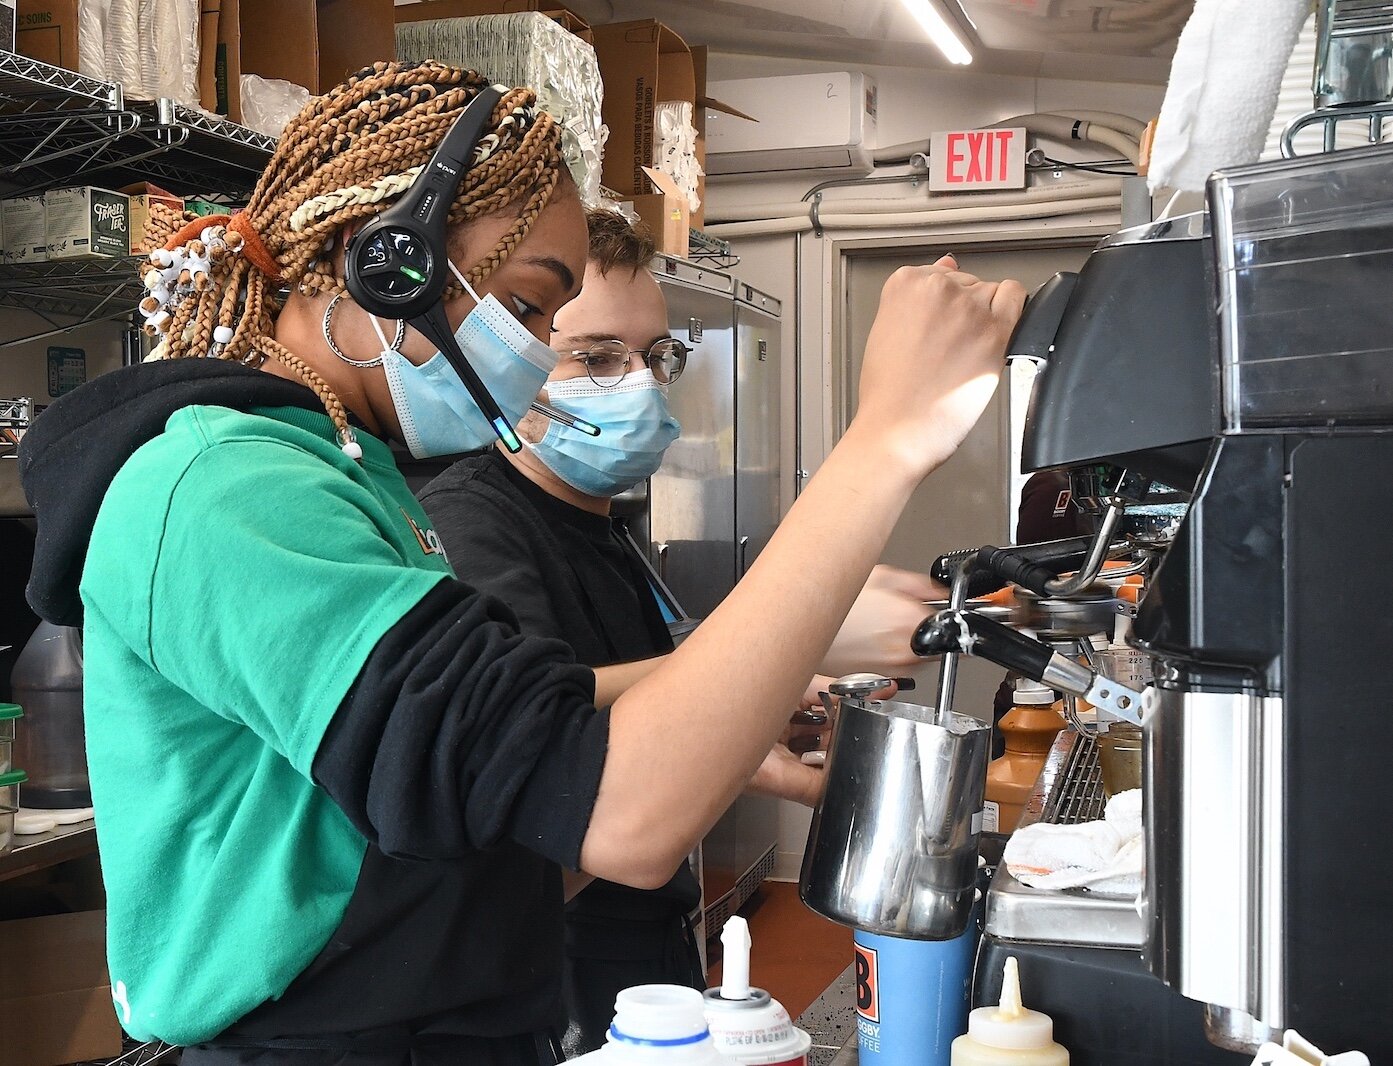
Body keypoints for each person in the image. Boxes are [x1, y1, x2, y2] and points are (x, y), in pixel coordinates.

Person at [17, 62, 1025, 1063]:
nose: (540, 355)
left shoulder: (343, 469)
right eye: (527, 304)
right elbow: (617, 811)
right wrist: (885, 439)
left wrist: (755, 674)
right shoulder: (226, 489)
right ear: (381, 260)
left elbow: (498, 724)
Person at [418, 210, 839, 1053]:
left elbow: (642, 696)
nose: (640, 385)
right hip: (553, 976)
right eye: (598, 357)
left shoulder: (603, 523)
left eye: (654, 358)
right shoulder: (470, 524)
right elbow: (543, 765)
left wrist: (748, 714)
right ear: (510, 362)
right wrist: (730, 735)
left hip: (646, 953)